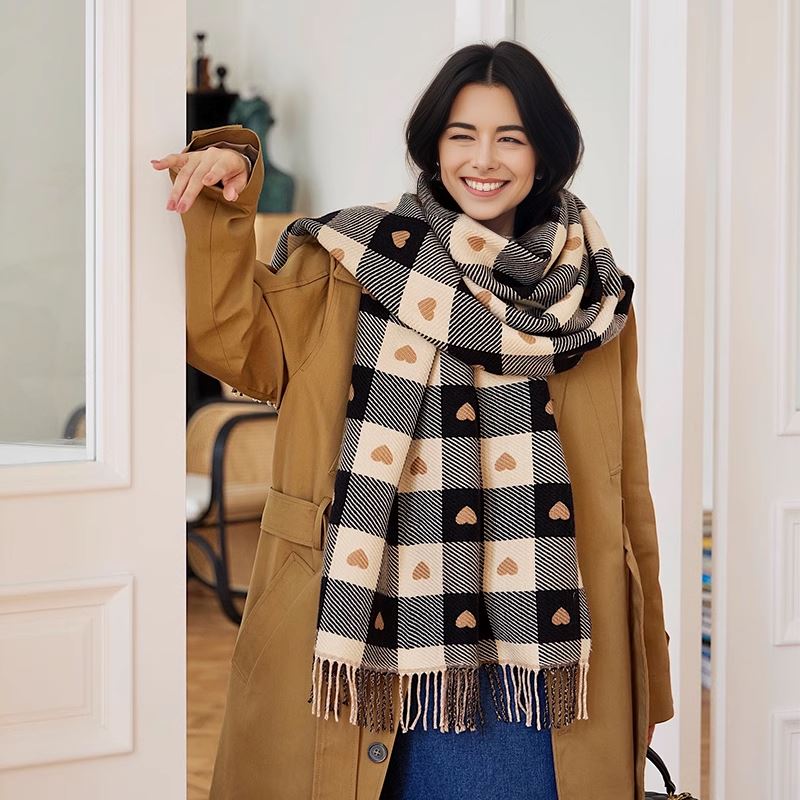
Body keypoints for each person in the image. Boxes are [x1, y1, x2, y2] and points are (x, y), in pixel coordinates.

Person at [152, 39, 673, 800]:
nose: (483, 160)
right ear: (433, 145)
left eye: (510, 137)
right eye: (462, 135)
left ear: (546, 153)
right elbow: (230, 339)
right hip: (378, 644)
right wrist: (228, 195)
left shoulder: (594, 303)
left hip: (547, 657)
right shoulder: (354, 262)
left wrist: (650, 676)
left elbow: (632, 504)